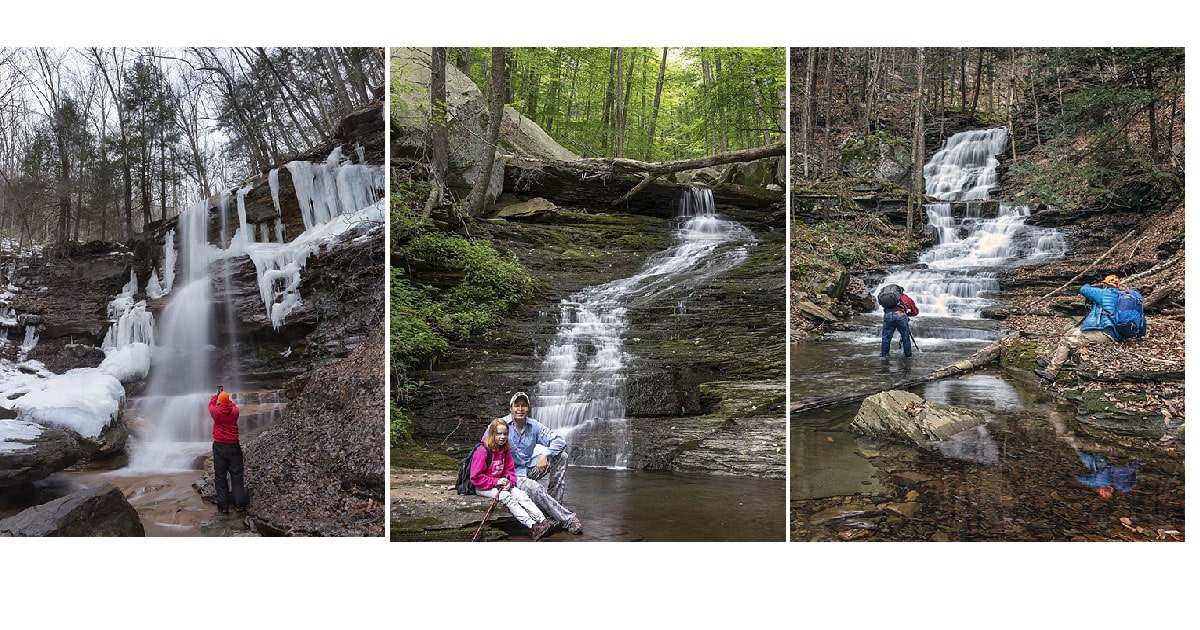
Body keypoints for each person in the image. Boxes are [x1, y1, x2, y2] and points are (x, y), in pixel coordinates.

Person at [487, 392, 584, 535]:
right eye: (517, 406)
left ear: (528, 408)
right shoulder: (500, 426)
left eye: (523, 405)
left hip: (528, 468)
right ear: (510, 408)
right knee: (535, 487)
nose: (520, 409)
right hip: (511, 475)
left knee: (562, 456)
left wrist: (545, 454)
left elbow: (560, 441)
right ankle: (568, 519)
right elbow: (483, 449)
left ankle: (553, 509)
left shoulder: (534, 426)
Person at [1034, 274, 1141, 382]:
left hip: (1103, 333)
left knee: (1067, 341)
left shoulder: (1105, 294)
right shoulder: (1125, 299)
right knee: (1070, 332)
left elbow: (1084, 290)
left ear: (1105, 285)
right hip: (1112, 333)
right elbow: (1142, 326)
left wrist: (1088, 283)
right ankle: (1048, 360)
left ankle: (1052, 372)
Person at [471, 418, 556, 540]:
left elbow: (510, 471)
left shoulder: (505, 450)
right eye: (498, 434)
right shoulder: (482, 451)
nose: (502, 437)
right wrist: (496, 481)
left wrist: (509, 482)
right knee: (506, 497)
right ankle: (533, 526)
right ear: (492, 434)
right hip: (483, 486)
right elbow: (475, 478)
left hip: (499, 483)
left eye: (505, 434)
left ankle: (543, 521)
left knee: (521, 494)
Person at [208, 386, 248, 514]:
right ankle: (240, 504)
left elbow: (210, 405)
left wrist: (216, 396)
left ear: (220, 401)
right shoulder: (235, 411)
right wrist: (226, 399)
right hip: (233, 446)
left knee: (220, 476)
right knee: (237, 475)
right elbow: (232, 405)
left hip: (219, 446)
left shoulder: (216, 413)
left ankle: (224, 506)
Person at [880, 285, 919, 357]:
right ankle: (908, 356)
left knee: (886, 337)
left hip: (888, 314)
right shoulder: (906, 298)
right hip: (900, 314)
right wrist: (907, 314)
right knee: (905, 336)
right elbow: (915, 311)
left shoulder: (888, 298)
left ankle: (884, 356)